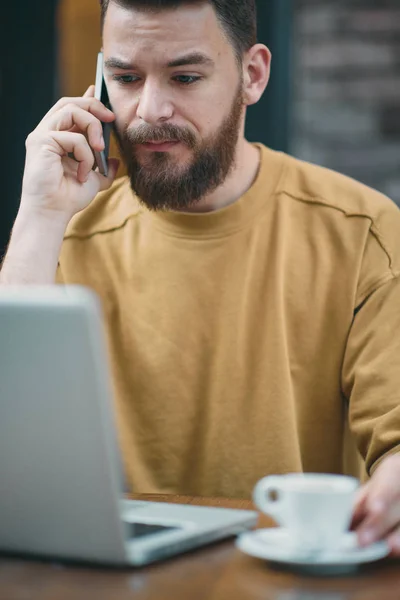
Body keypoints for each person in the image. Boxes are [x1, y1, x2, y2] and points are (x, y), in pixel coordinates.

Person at [2, 0, 400, 554]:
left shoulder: (363, 231)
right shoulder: (61, 237)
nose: (149, 110)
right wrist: (39, 217)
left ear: (253, 75)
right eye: (125, 77)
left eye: (185, 76)